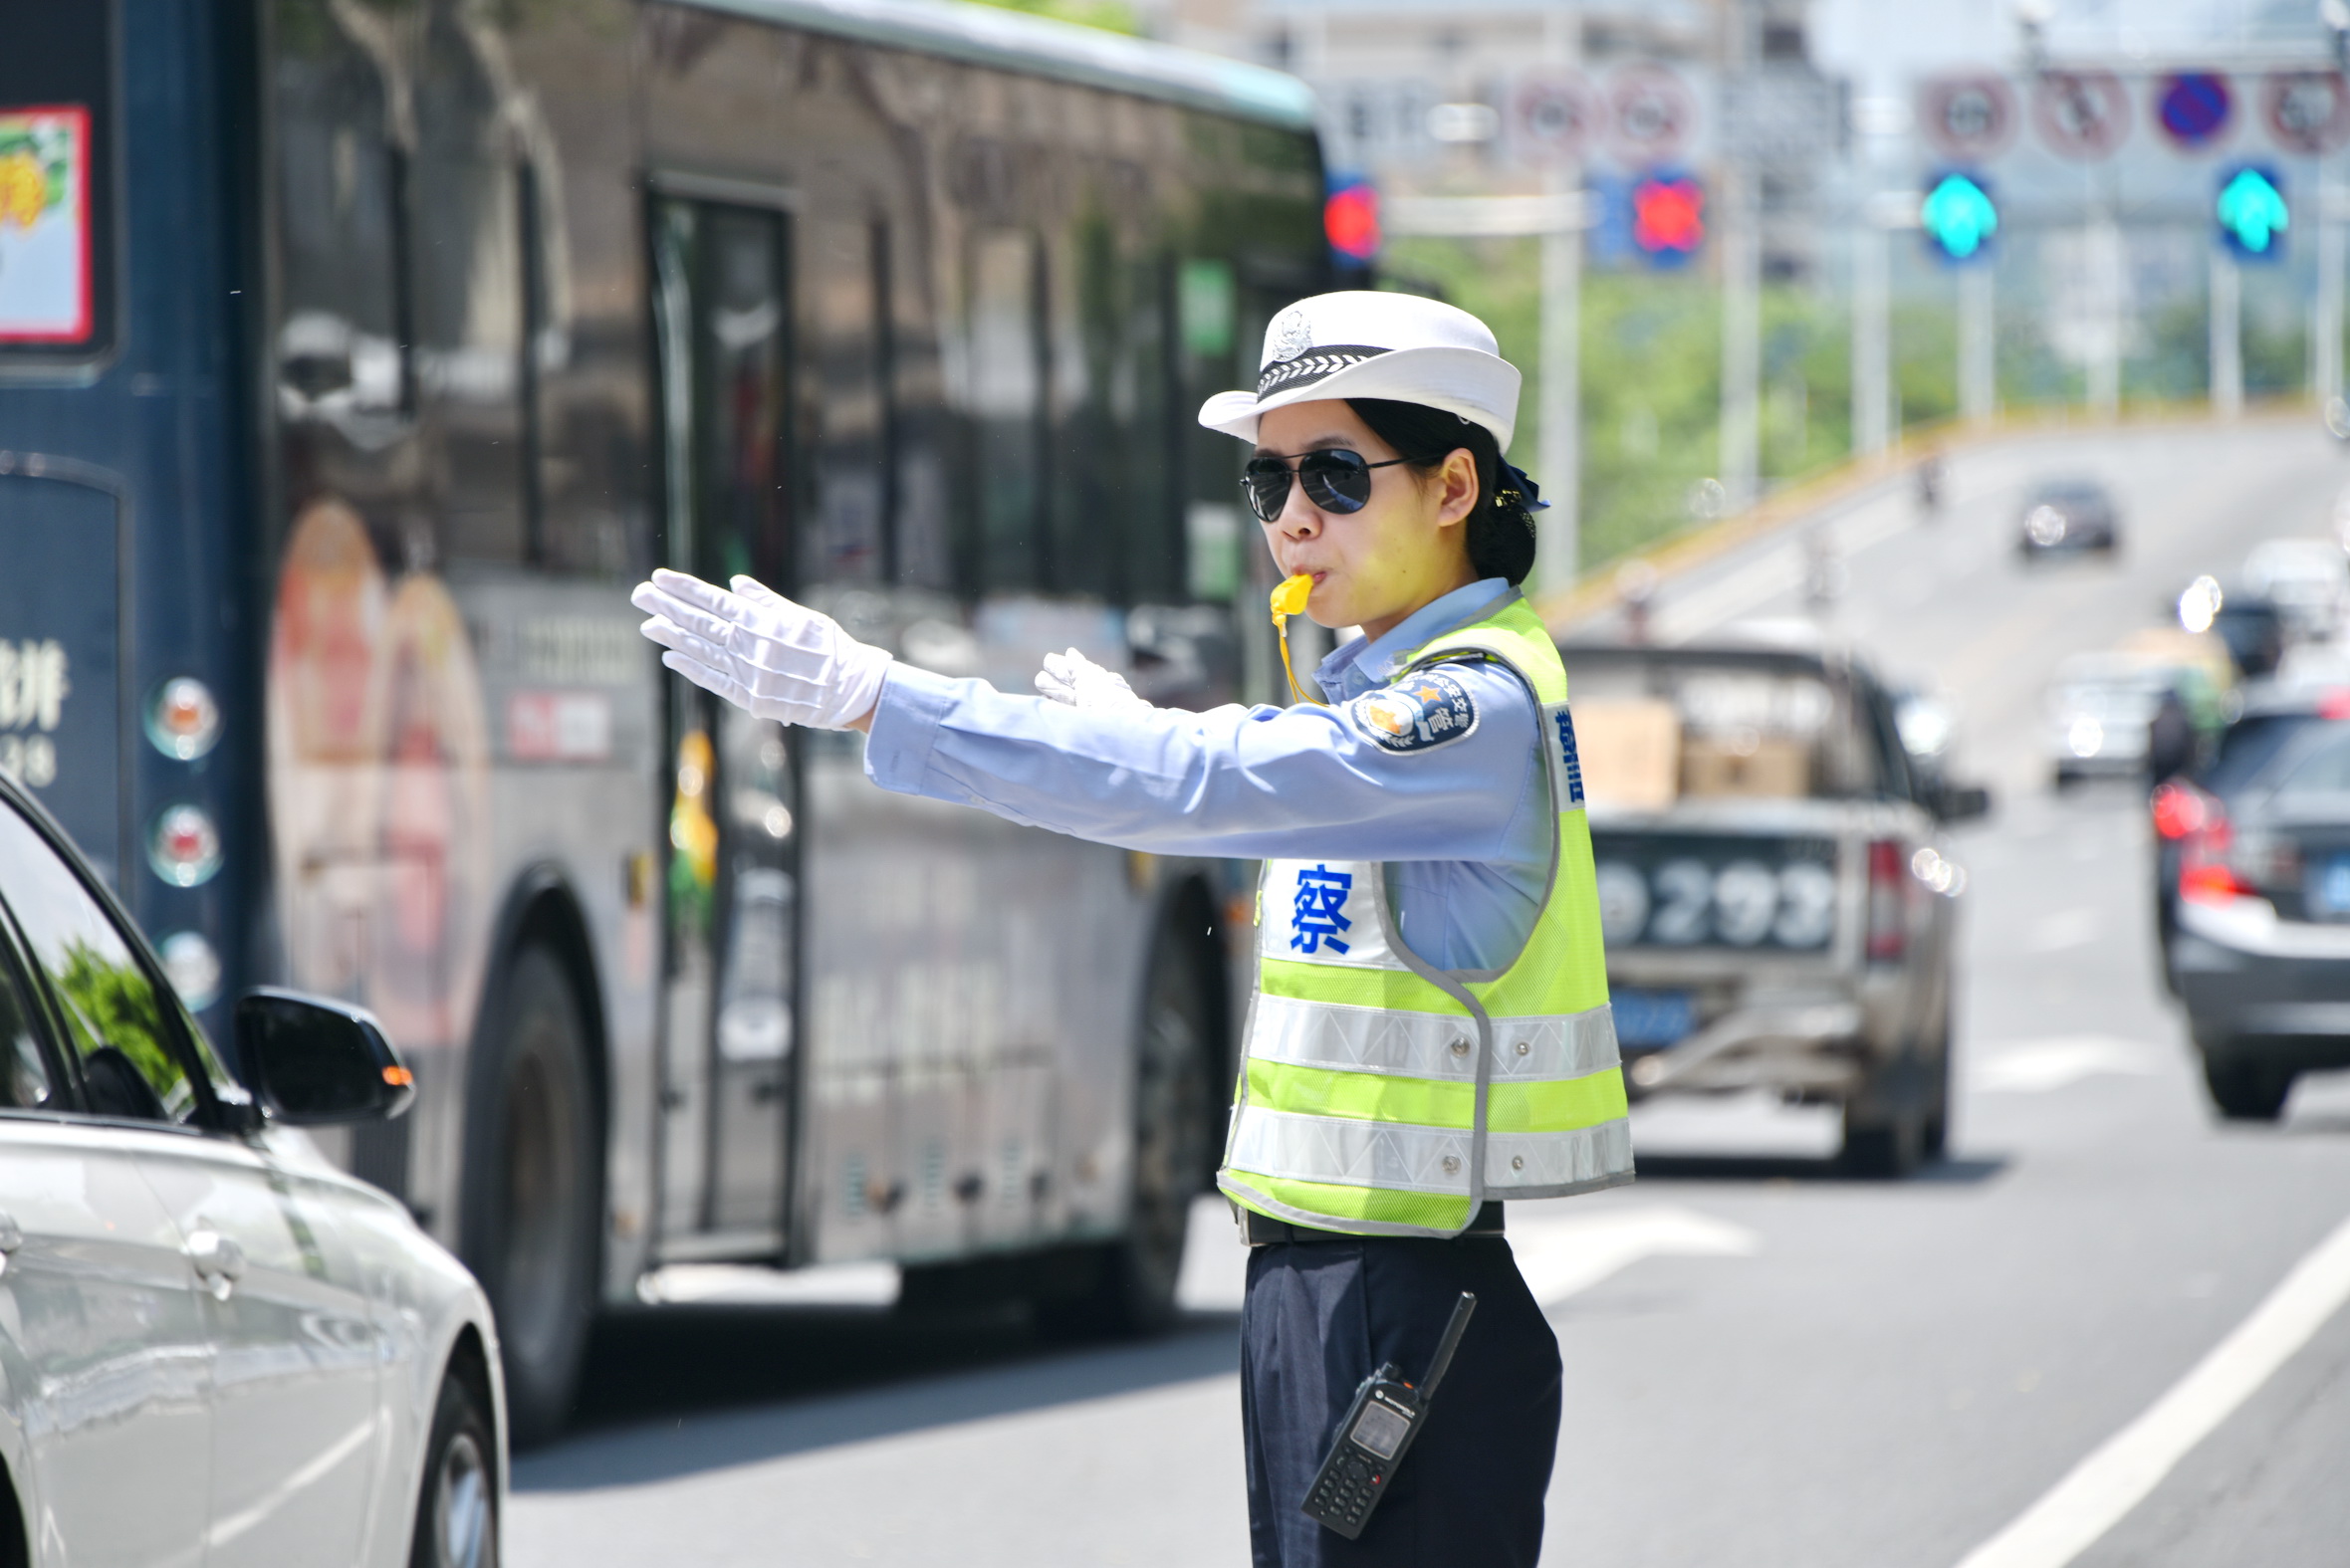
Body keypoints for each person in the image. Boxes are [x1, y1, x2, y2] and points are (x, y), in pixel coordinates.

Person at [632, 291, 1632, 1567]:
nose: (1291, 520)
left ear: (1451, 488)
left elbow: (1205, 784)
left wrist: (878, 696)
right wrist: (1128, 738)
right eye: (1266, 481)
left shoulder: (1467, 713)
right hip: (1328, 1296)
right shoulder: (1382, 698)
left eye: (1334, 474)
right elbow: (1206, 783)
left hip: (1401, 1306)